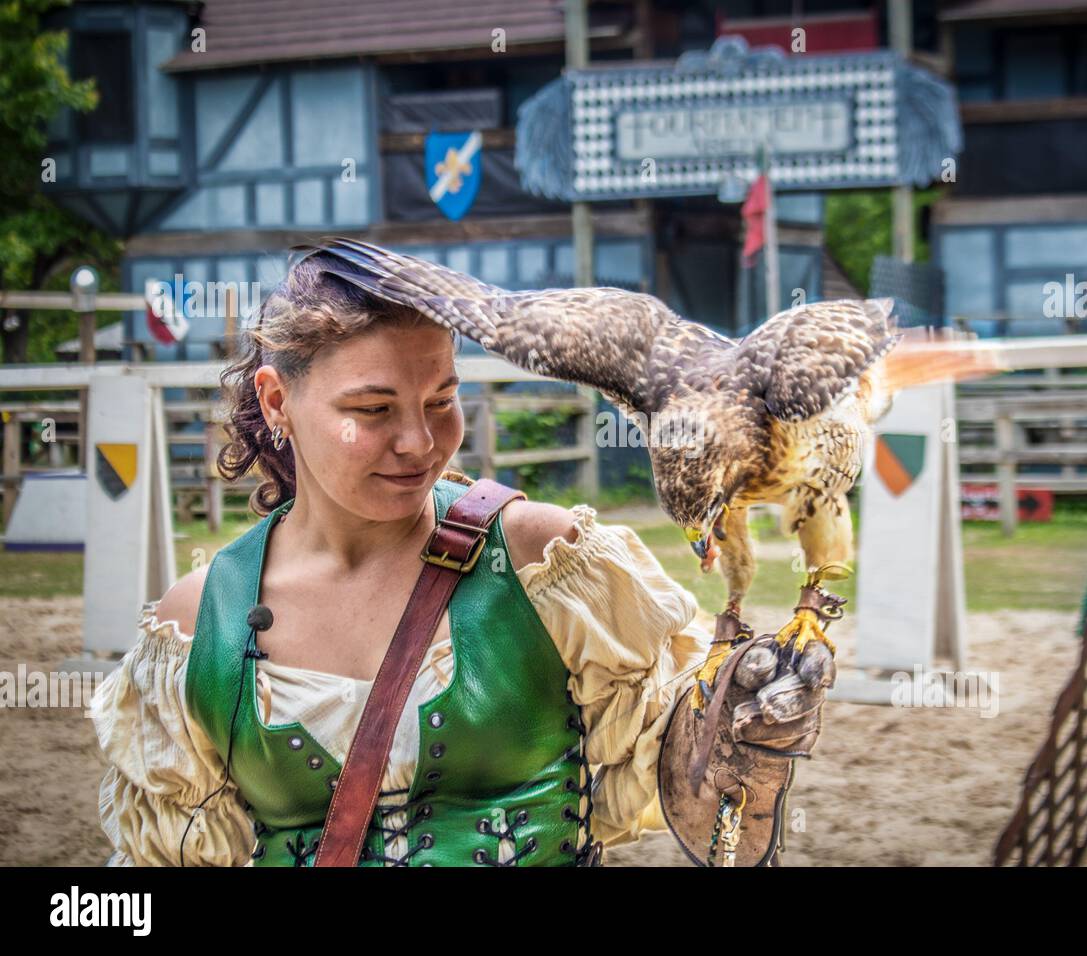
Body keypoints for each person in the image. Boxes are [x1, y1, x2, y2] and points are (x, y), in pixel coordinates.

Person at [90, 247, 830, 867]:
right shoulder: (200, 625)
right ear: (277, 400)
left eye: (442, 400)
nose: (420, 442)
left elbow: (682, 790)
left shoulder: (543, 562)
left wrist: (735, 742)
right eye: (373, 410)